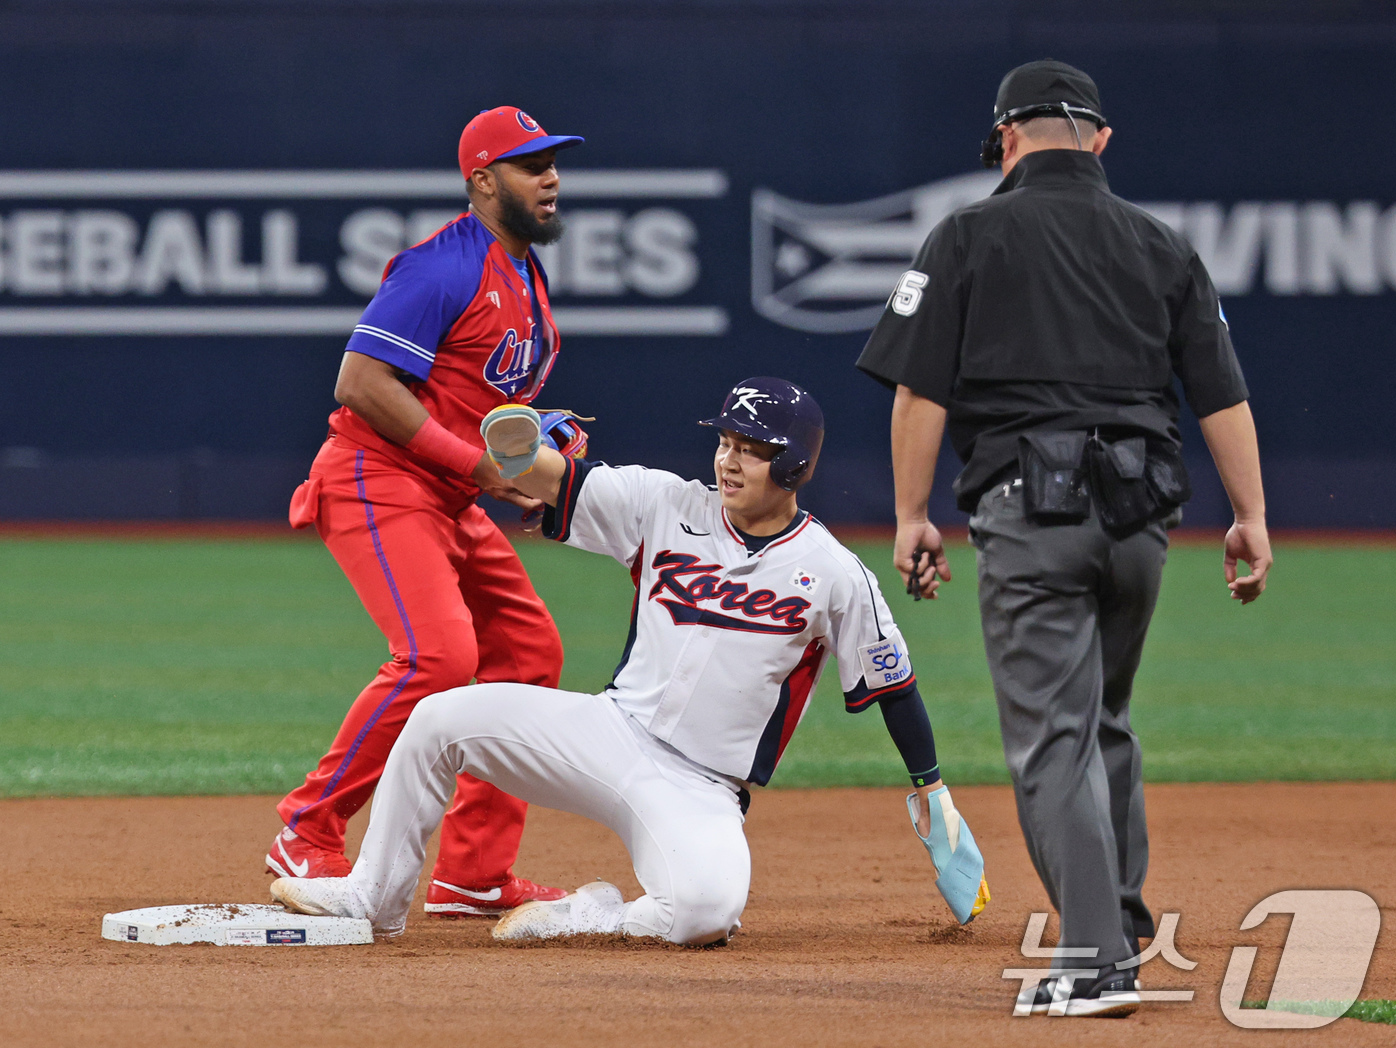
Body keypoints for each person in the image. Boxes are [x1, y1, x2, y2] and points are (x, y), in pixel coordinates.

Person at [268, 378, 990, 944]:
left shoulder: (833, 572)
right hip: (607, 733)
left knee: (706, 914)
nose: (729, 458)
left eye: (752, 446)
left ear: (796, 463)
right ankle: (375, 896)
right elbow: (555, 479)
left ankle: (593, 916)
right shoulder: (665, 504)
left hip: (702, 787)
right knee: (438, 720)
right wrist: (519, 445)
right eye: (726, 441)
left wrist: (933, 795)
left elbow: (893, 685)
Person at [857, 60, 1272, 1017]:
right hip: (1142, 520)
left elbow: (921, 391)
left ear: (1004, 140)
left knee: (1052, 739)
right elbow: (1223, 394)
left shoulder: (964, 235)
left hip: (1029, 511)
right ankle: (1119, 917)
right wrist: (1249, 516)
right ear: (1099, 140)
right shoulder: (1161, 243)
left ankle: (1093, 965)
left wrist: (912, 514)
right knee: (1102, 719)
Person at [266, 106, 589, 918]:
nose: (549, 177)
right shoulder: (440, 266)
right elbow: (361, 385)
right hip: (377, 477)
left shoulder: (523, 273)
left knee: (528, 648)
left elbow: (480, 401)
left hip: (443, 494)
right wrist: (481, 465)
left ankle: (472, 874)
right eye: (528, 164)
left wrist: (537, 442)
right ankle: (306, 829)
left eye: (552, 162)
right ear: (482, 182)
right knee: (437, 657)